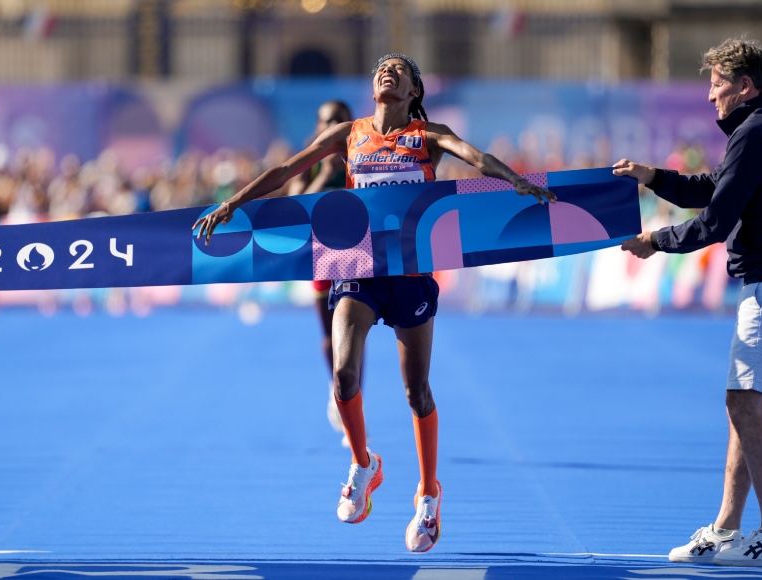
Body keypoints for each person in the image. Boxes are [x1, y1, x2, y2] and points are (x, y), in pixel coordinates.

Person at [195, 54, 554, 553]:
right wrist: (234, 203)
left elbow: (474, 157)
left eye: (399, 69)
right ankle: (363, 464)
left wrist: (514, 179)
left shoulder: (428, 135)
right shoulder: (349, 133)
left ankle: (428, 493)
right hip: (357, 269)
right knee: (344, 376)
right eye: (382, 68)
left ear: (414, 91)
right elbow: (285, 169)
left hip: (409, 274)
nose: (388, 71)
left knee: (416, 392)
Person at [613, 36, 762, 568]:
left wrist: (655, 241)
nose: (710, 96)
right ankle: (727, 529)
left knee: (745, 406)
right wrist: (653, 177)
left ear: (744, 86)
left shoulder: (757, 132)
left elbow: (715, 221)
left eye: (717, 84)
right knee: (742, 406)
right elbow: (714, 187)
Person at [286, 100, 359, 447]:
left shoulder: (362, 154)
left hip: (355, 254)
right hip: (320, 256)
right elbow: (294, 207)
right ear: (317, 127)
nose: (332, 127)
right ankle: (336, 387)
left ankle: (353, 402)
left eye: (339, 121)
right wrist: (325, 176)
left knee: (353, 336)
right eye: (326, 122)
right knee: (331, 335)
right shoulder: (309, 160)